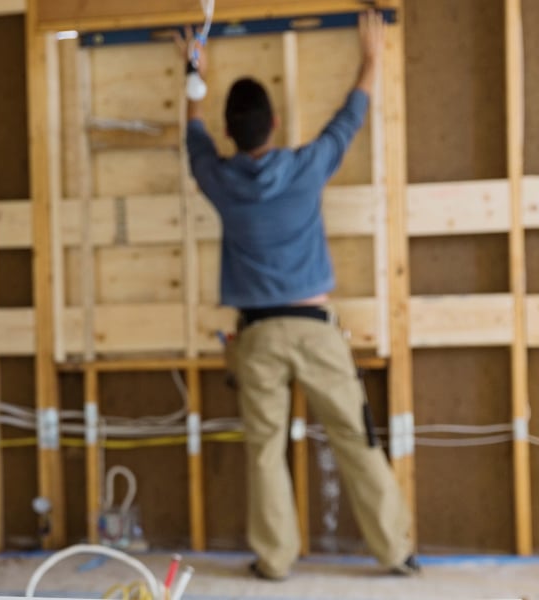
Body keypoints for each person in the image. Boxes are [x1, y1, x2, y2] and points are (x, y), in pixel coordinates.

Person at [180, 12, 417, 580]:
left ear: (233, 134)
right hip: (314, 327)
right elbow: (347, 120)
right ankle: (394, 552)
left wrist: (192, 76)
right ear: (276, 123)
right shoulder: (307, 167)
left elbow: (194, 141)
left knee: (265, 451)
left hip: (257, 335)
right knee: (355, 437)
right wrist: (372, 60)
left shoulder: (221, 179)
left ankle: (275, 560)